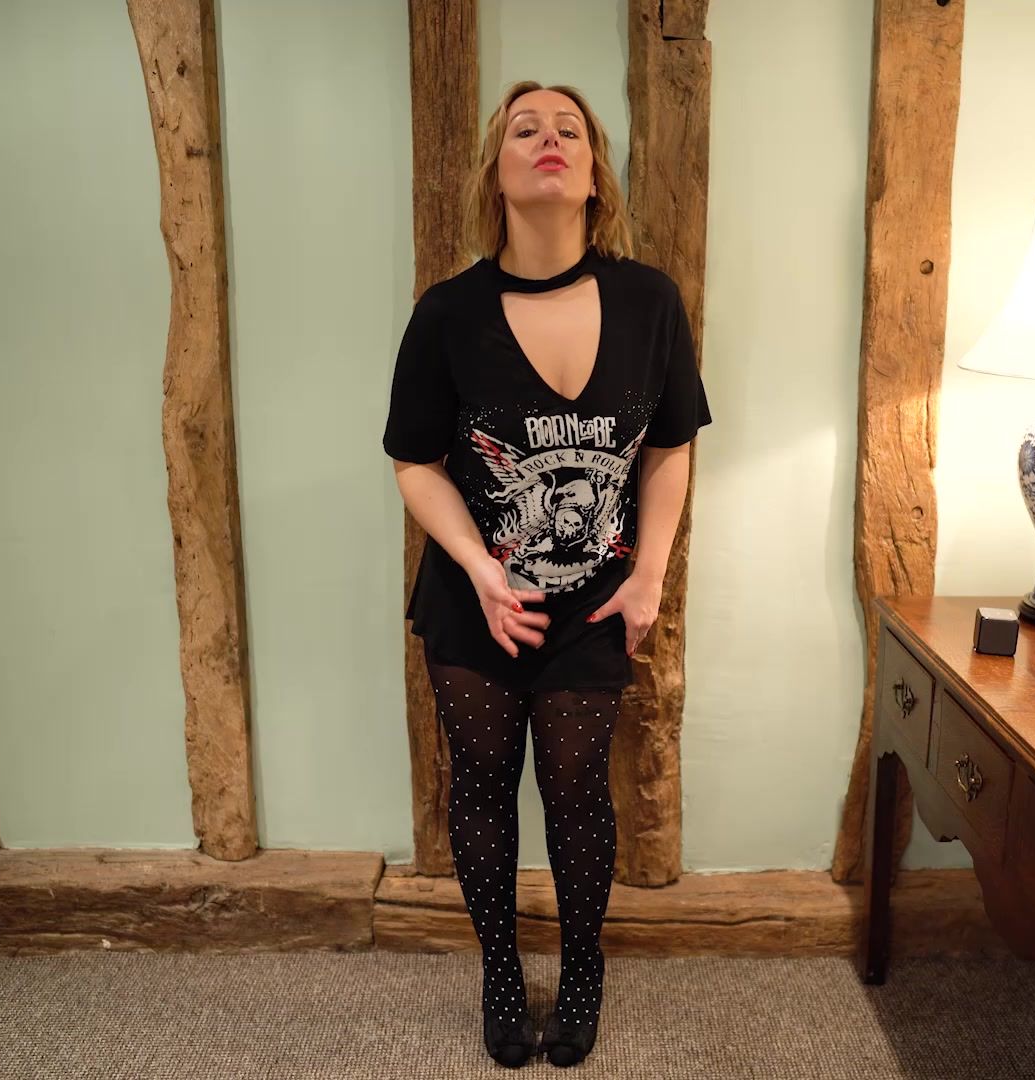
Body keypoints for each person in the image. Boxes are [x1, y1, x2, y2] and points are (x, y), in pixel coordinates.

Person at [382, 79, 711, 1068]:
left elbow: (670, 447)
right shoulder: (448, 313)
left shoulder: (648, 301)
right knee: (482, 787)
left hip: (595, 607)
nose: (549, 140)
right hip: (476, 605)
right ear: (498, 172)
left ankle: (581, 970)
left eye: (570, 129)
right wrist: (481, 570)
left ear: (596, 174)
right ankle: (497, 969)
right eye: (525, 130)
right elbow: (415, 462)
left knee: (576, 792)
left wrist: (648, 578)